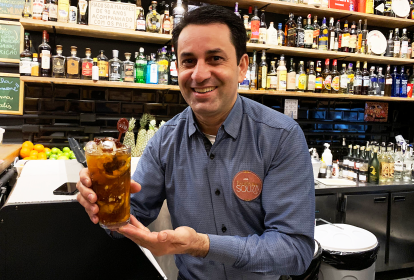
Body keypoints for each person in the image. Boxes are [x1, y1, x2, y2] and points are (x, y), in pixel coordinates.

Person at [77, 5, 315, 280]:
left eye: (215, 58)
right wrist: (101, 203)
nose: (199, 75)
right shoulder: (165, 141)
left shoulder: (281, 136)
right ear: (177, 67)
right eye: (188, 61)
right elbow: (131, 214)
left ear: (241, 67)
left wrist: (204, 246)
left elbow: (295, 251)